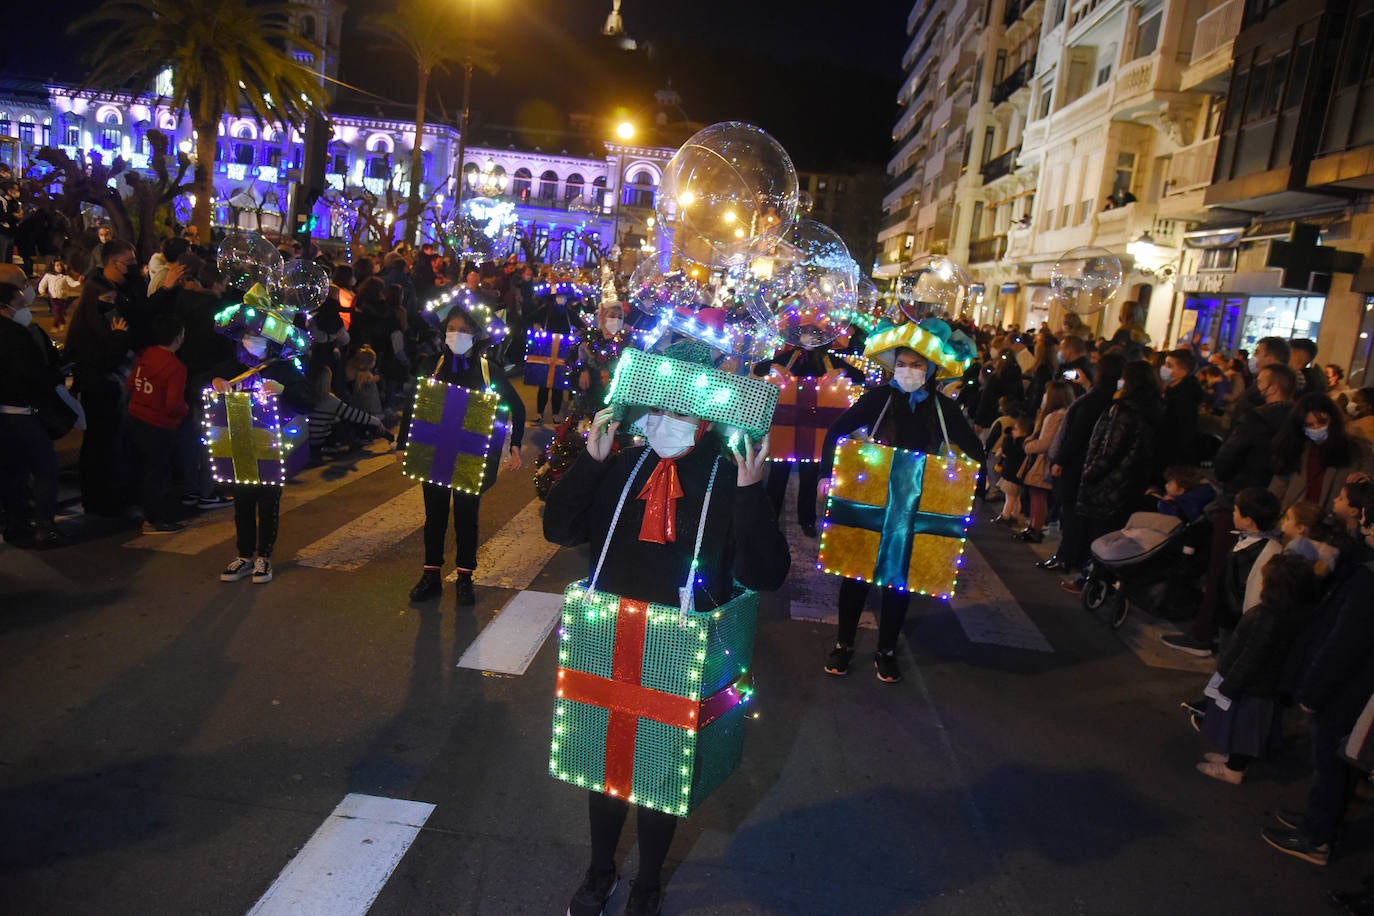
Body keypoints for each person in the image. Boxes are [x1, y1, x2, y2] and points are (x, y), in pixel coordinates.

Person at [543, 341, 788, 916]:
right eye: (655, 407)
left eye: (678, 410)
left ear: (707, 414)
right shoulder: (624, 465)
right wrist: (591, 461)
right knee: (601, 770)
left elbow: (765, 574)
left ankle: (647, 881)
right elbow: (559, 528)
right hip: (609, 632)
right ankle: (600, 869)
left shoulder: (729, 477)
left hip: (682, 645)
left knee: (661, 772)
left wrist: (752, 496)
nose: (663, 422)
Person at [820, 321, 984, 683]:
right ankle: (844, 644)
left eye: (917, 364)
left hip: (916, 503)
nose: (907, 370)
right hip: (871, 496)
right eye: (902, 363)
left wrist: (968, 491)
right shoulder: (879, 398)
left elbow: (975, 452)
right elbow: (837, 432)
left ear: (932, 369)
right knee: (856, 573)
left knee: (901, 579)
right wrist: (825, 475)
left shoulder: (944, 409)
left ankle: (887, 650)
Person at [1263, 500, 1374, 865]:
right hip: (1356, 690)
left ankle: (1316, 838)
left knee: (1329, 766)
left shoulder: (1368, 581)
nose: (1366, 529)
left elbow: (1343, 642)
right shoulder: (1363, 567)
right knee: (1335, 767)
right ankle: (1323, 823)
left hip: (1344, 692)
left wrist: (1312, 692)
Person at [1162, 364, 1296, 656]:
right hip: (1275, 504)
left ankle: (1204, 634)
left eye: (1260, 379)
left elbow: (1225, 461)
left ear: (1271, 386)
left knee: (1220, 571)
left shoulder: (1256, 419)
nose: (1255, 384)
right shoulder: (1295, 420)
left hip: (1242, 499)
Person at [398, 304, 525, 605]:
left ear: (476, 335)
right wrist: (403, 442)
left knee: (467, 517)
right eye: (452, 329)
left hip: (471, 455)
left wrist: (515, 443)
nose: (457, 335)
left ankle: (465, 577)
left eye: (465, 331)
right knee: (435, 516)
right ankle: (431, 575)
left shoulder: (487, 370)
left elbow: (516, 407)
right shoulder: (432, 364)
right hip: (434, 450)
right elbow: (413, 401)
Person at [1194, 552, 1316, 785]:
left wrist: (1230, 685)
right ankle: (1231, 758)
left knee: (1243, 729)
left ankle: (1233, 769)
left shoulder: (1267, 617)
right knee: (1244, 727)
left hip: (1252, 687)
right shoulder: (1295, 614)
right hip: (1264, 685)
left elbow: (1251, 656)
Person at [1074, 359, 1164, 569]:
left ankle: (1095, 579)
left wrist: (1089, 472)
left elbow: (1111, 448)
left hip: (1111, 483)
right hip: (1131, 482)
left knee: (1101, 537)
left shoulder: (1125, 411)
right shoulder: (1153, 407)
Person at [1047, 353, 1125, 579]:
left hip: (1079, 463)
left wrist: (1061, 459)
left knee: (1071, 511)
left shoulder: (1095, 401)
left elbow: (1078, 433)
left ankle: (1068, 556)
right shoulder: (1111, 397)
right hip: (1091, 464)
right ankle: (1074, 555)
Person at [0, 277, 64, 547]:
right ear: (5, 307)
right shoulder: (16, 335)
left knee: (12, 472)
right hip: (23, 411)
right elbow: (33, 374)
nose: (24, 307)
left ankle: (16, 524)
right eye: (19, 303)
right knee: (44, 468)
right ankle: (44, 525)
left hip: (5, 414)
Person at [63, 279, 132, 516]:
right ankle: (99, 498)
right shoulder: (87, 328)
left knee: (104, 445)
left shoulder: (95, 324)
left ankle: (104, 495)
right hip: (98, 392)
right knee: (99, 446)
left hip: (104, 391)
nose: (111, 305)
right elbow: (101, 361)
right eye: (107, 300)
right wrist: (118, 338)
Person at [125, 313, 189, 534]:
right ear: (179, 337)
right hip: (159, 425)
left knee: (142, 469)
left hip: (136, 418)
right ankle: (155, 520)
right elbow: (173, 404)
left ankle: (142, 511)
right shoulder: (176, 367)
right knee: (158, 473)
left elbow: (131, 382)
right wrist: (186, 411)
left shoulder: (148, 354)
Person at [1269, 393, 1364, 514]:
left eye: (1322, 422)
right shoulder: (1293, 447)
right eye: (1310, 425)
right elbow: (1277, 489)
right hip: (1294, 522)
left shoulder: (1356, 449)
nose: (1317, 428)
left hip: (1335, 523)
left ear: (1333, 420)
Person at [1017, 380, 1074, 544]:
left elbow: (1046, 442)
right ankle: (1034, 526)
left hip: (1043, 460)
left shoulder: (1055, 416)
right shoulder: (1065, 413)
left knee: (1038, 495)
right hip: (1047, 459)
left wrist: (1028, 445)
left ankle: (1036, 528)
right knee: (1037, 495)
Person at [1158, 348, 1204, 471]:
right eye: (1165, 364)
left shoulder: (1183, 399)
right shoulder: (1172, 393)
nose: (1164, 368)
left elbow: (1182, 435)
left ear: (1183, 372)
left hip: (1173, 461)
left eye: (1169, 366)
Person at [993, 413, 1032, 528]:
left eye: (1015, 429)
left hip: (1011, 474)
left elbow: (1009, 453)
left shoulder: (1016, 443)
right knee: (1016, 498)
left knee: (1010, 498)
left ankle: (1005, 516)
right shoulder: (1027, 443)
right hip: (1019, 475)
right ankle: (1015, 516)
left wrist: (1008, 439)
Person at [37, 259, 82, 330]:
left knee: (58, 311)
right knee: (58, 311)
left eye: (61, 266)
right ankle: (62, 323)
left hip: (62, 297)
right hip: (53, 297)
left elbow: (72, 284)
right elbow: (42, 284)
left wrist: (79, 282)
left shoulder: (65, 277)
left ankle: (56, 326)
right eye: (57, 265)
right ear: (53, 266)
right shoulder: (48, 276)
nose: (59, 267)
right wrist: (42, 291)